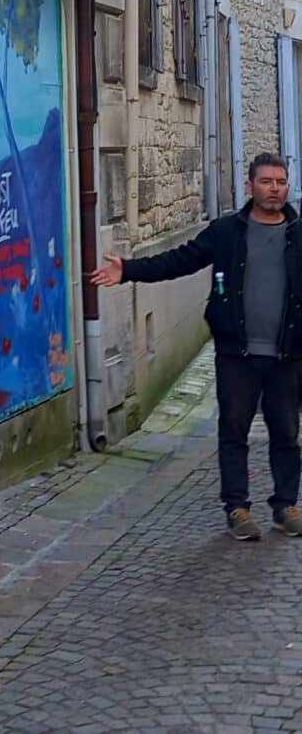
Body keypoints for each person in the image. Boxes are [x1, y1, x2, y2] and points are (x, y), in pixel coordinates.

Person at [90, 152, 302, 541]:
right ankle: (237, 508)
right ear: (249, 185)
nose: (275, 189)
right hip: (237, 353)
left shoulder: (299, 234)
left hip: (287, 354)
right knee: (234, 431)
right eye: (267, 181)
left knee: (287, 432)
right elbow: (180, 260)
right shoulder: (226, 233)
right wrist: (129, 270)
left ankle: (285, 505)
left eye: (281, 182)